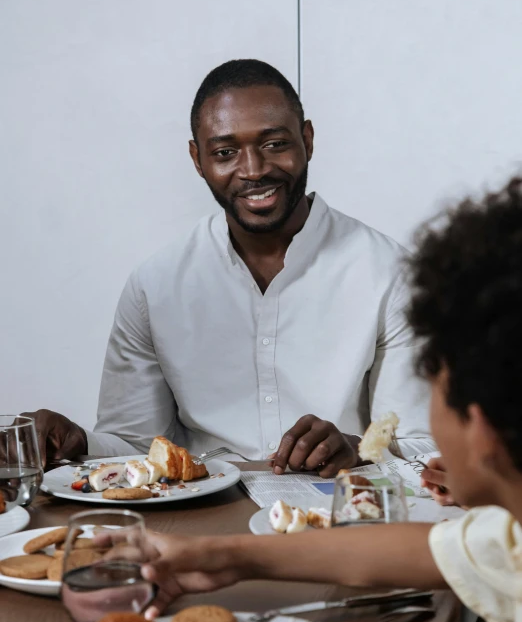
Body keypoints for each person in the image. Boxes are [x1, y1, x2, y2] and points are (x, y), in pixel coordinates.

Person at [137, 179, 522, 622]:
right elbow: (420, 552)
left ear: (478, 429)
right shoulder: (510, 538)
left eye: (431, 384)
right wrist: (220, 556)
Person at [23, 59, 433, 476]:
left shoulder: (389, 273)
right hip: (199, 522)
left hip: (336, 518)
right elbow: (134, 447)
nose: (253, 170)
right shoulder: (155, 286)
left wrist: (357, 448)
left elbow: (424, 446)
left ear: (307, 140)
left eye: (275, 144)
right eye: (225, 152)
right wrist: (77, 442)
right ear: (197, 159)